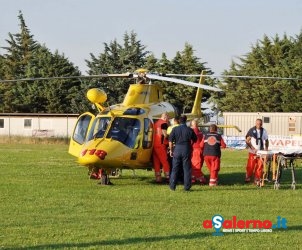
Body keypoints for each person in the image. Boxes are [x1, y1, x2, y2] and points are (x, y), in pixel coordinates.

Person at [169, 115, 197, 191]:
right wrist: (190, 145)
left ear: (179, 121)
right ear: (186, 120)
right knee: (187, 169)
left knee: (175, 168)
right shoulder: (189, 130)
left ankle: (172, 186)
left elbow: (170, 141)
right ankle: (187, 187)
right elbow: (195, 139)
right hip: (186, 149)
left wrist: (171, 150)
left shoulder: (175, 129)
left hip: (177, 149)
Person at [245, 118, 269, 185]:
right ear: (255, 123)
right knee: (251, 165)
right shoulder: (251, 130)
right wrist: (252, 148)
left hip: (261, 151)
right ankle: (248, 176)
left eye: (260, 124)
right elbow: (247, 141)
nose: (259, 125)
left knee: (260, 165)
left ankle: (257, 178)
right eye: (258, 123)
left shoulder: (264, 131)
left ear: (262, 124)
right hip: (253, 151)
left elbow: (266, 140)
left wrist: (266, 149)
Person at [153, 112, 170, 183]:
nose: (168, 120)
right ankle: (168, 177)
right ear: (165, 117)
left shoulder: (156, 123)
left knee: (156, 162)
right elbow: (165, 134)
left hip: (154, 144)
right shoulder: (164, 123)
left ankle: (158, 178)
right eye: (168, 118)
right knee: (165, 161)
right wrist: (169, 138)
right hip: (161, 144)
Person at [190, 119, 207, 184]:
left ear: (192, 125)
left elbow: (191, 141)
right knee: (197, 165)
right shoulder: (200, 131)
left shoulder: (193, 131)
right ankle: (193, 178)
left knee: (195, 165)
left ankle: (201, 178)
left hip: (195, 150)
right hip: (200, 149)